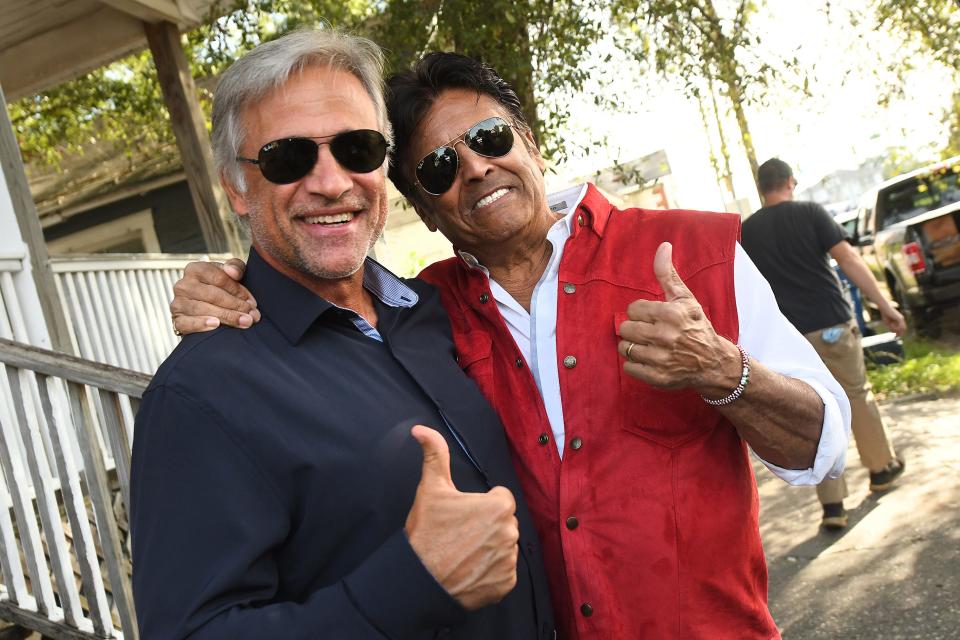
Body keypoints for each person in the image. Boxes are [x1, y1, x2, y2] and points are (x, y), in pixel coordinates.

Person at [171, 53, 851, 639]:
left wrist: (723, 369)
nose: (474, 167)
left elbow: (818, 450)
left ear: (529, 141)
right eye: (439, 167)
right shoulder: (420, 314)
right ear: (423, 207)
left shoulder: (695, 252)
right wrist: (229, 282)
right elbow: (314, 280)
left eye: (490, 137)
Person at [130, 30, 555, 640]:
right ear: (236, 186)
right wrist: (412, 584)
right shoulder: (201, 394)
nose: (332, 183)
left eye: (358, 148)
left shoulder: (440, 309)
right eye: (287, 157)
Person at [741, 158, 906, 530]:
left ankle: (833, 507)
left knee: (816, 413)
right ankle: (881, 468)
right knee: (856, 395)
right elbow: (847, 259)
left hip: (789, 340)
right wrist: (884, 305)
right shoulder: (811, 213)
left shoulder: (747, 231)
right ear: (790, 182)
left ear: (761, 187)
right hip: (831, 324)